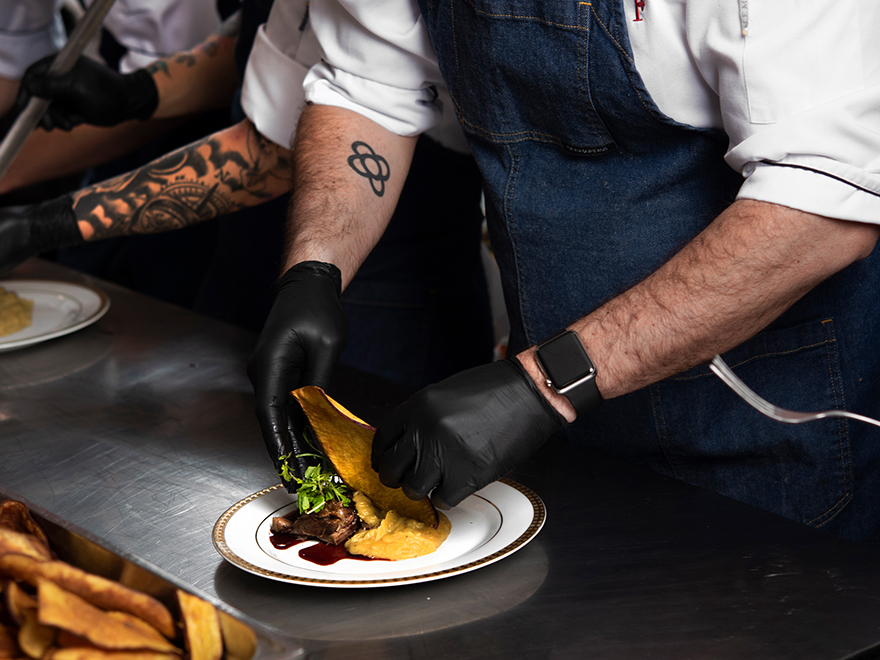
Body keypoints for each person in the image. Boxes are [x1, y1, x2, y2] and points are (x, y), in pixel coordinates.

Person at [245, 0, 880, 545]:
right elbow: (368, 89)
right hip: (561, 435)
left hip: (766, 434)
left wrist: (544, 383)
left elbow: (822, 205)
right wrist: (314, 269)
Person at [0, 0, 493, 477]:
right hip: (260, 253)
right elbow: (278, 42)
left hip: (382, 283)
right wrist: (140, 91)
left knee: (365, 492)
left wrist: (44, 224)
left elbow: (283, 147)